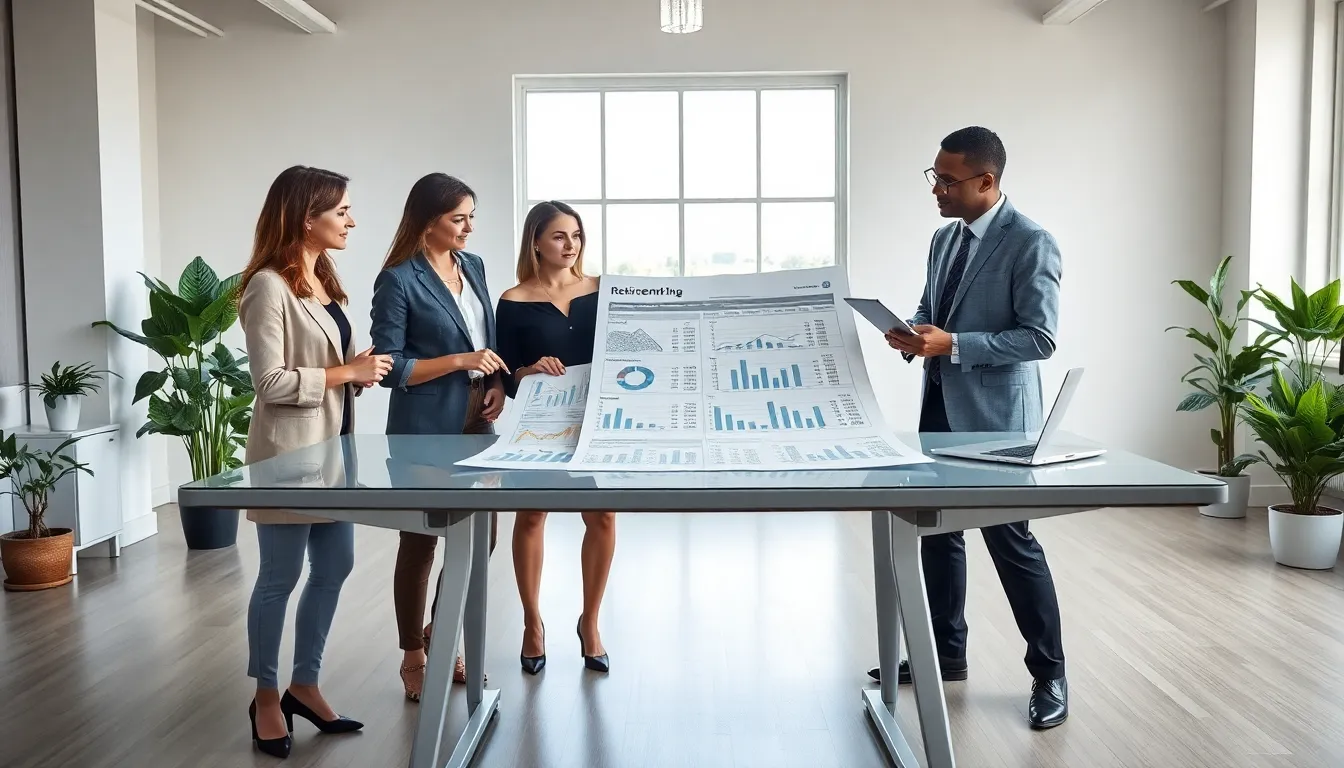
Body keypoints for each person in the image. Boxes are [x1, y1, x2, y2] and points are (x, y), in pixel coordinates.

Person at [875, 127, 1068, 730]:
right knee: (936, 535)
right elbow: (933, 309)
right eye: (933, 176)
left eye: (948, 180)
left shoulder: (1031, 242)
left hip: (998, 424)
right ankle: (945, 655)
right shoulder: (944, 237)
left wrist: (953, 343)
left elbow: (1039, 338)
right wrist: (913, 332)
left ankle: (1051, 674)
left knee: (1011, 542)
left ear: (988, 182)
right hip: (937, 409)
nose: (936, 189)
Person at [238, 165, 392, 758]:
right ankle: (267, 695)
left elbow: (335, 363)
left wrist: (362, 369)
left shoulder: (324, 281)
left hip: (337, 453)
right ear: (307, 217)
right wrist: (342, 374)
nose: (352, 220)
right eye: (342, 211)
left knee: (335, 567)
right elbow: (269, 381)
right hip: (289, 457)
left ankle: (306, 682)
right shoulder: (267, 287)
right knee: (279, 578)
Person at [369, 173, 508, 702]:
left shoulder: (472, 267)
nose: (470, 228)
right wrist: (459, 362)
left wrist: (493, 380)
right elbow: (392, 366)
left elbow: (484, 338)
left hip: (479, 416)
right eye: (459, 219)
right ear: (428, 222)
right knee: (422, 540)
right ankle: (414, 655)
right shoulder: (398, 280)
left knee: (482, 537)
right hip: (424, 426)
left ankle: (440, 629)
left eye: (473, 217)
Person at [495, 200, 614, 675]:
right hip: (540, 422)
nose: (571, 245)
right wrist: (530, 368)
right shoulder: (513, 299)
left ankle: (591, 622)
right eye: (560, 236)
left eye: (577, 236)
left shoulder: (604, 289)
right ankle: (532, 623)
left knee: (602, 516)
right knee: (531, 516)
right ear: (536, 242)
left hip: (597, 419)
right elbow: (507, 376)